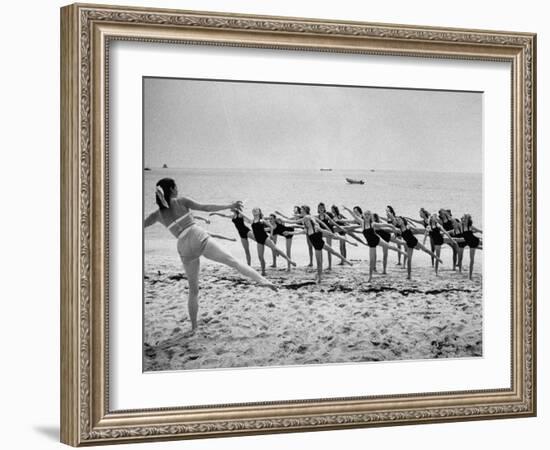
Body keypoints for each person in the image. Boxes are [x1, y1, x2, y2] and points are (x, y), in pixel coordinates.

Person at [144, 178, 276, 332]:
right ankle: (263, 281)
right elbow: (206, 207)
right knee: (233, 262)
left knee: (193, 290)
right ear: (172, 189)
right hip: (197, 236)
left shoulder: (157, 214)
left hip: (183, 246)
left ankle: (193, 327)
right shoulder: (181, 201)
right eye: (176, 186)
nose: (178, 189)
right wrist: (230, 205)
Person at [286, 208, 355, 283]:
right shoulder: (307, 228)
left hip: (319, 241)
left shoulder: (313, 225)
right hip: (317, 245)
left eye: (302, 210)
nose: (306, 222)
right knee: (322, 260)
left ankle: (346, 261)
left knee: (332, 252)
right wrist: (289, 233)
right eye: (306, 222)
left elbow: (324, 230)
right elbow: (298, 231)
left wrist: (331, 233)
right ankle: (320, 277)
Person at [344, 207, 407, 282]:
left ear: (370, 216)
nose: (366, 216)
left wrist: (394, 229)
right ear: (363, 215)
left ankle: (403, 253)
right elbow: (354, 215)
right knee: (371, 260)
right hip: (371, 243)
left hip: (377, 239)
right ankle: (370, 277)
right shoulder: (362, 222)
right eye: (365, 214)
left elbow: (385, 225)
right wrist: (347, 209)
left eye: (368, 214)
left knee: (389, 246)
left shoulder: (373, 224)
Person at [249, 208, 296, 275]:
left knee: (275, 249)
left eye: (256, 210)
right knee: (260, 256)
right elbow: (245, 218)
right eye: (253, 210)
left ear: (259, 212)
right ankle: (263, 272)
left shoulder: (262, 220)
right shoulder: (252, 221)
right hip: (259, 240)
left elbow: (271, 227)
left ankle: (289, 260)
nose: (254, 210)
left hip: (265, 238)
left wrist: (271, 235)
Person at [459, 213, 483, 280]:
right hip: (469, 242)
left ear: (468, 219)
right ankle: (468, 275)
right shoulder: (461, 226)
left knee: (472, 260)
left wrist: (477, 231)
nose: (465, 219)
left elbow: (480, 231)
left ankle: (470, 276)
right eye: (464, 218)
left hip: (474, 242)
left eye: (466, 218)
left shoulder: (470, 226)